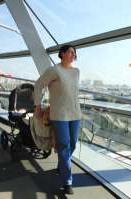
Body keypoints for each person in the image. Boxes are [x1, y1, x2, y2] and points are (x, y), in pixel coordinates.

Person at [34, 45, 81, 195]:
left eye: (74, 52)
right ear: (62, 54)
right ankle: (67, 181)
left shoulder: (76, 72)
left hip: (75, 113)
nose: (73, 54)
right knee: (65, 144)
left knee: (72, 143)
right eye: (70, 51)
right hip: (59, 114)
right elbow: (38, 85)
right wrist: (37, 106)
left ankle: (62, 165)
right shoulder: (54, 70)